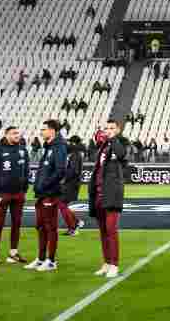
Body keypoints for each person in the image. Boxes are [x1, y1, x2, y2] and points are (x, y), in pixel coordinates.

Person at [25, 120, 67, 271]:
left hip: (50, 193)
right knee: (41, 227)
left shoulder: (59, 147)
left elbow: (60, 170)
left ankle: (51, 261)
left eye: (44, 129)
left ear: (52, 131)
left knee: (50, 227)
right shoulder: (49, 147)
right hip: (42, 194)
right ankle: (41, 258)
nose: (41, 132)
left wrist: (45, 184)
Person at [88, 119, 128, 278]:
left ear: (118, 130)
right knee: (103, 231)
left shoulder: (121, 143)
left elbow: (121, 154)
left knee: (111, 230)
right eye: (107, 128)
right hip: (99, 193)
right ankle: (106, 262)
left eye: (112, 128)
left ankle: (114, 264)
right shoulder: (103, 147)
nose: (109, 130)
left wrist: (112, 138)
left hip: (111, 193)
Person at [0, 126, 30, 265]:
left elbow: (26, 170)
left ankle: (13, 253)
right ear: (6, 135)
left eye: (18, 133)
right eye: (14, 133)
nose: (17, 135)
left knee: (17, 224)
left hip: (18, 195)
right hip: (3, 194)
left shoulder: (23, 149)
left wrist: (24, 190)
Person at [60, 136, 86, 236]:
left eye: (70, 142)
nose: (68, 145)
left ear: (74, 143)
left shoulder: (75, 155)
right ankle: (77, 222)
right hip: (72, 183)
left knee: (62, 205)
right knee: (63, 205)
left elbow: (73, 171)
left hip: (71, 184)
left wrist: (63, 179)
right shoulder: (76, 154)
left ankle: (73, 227)